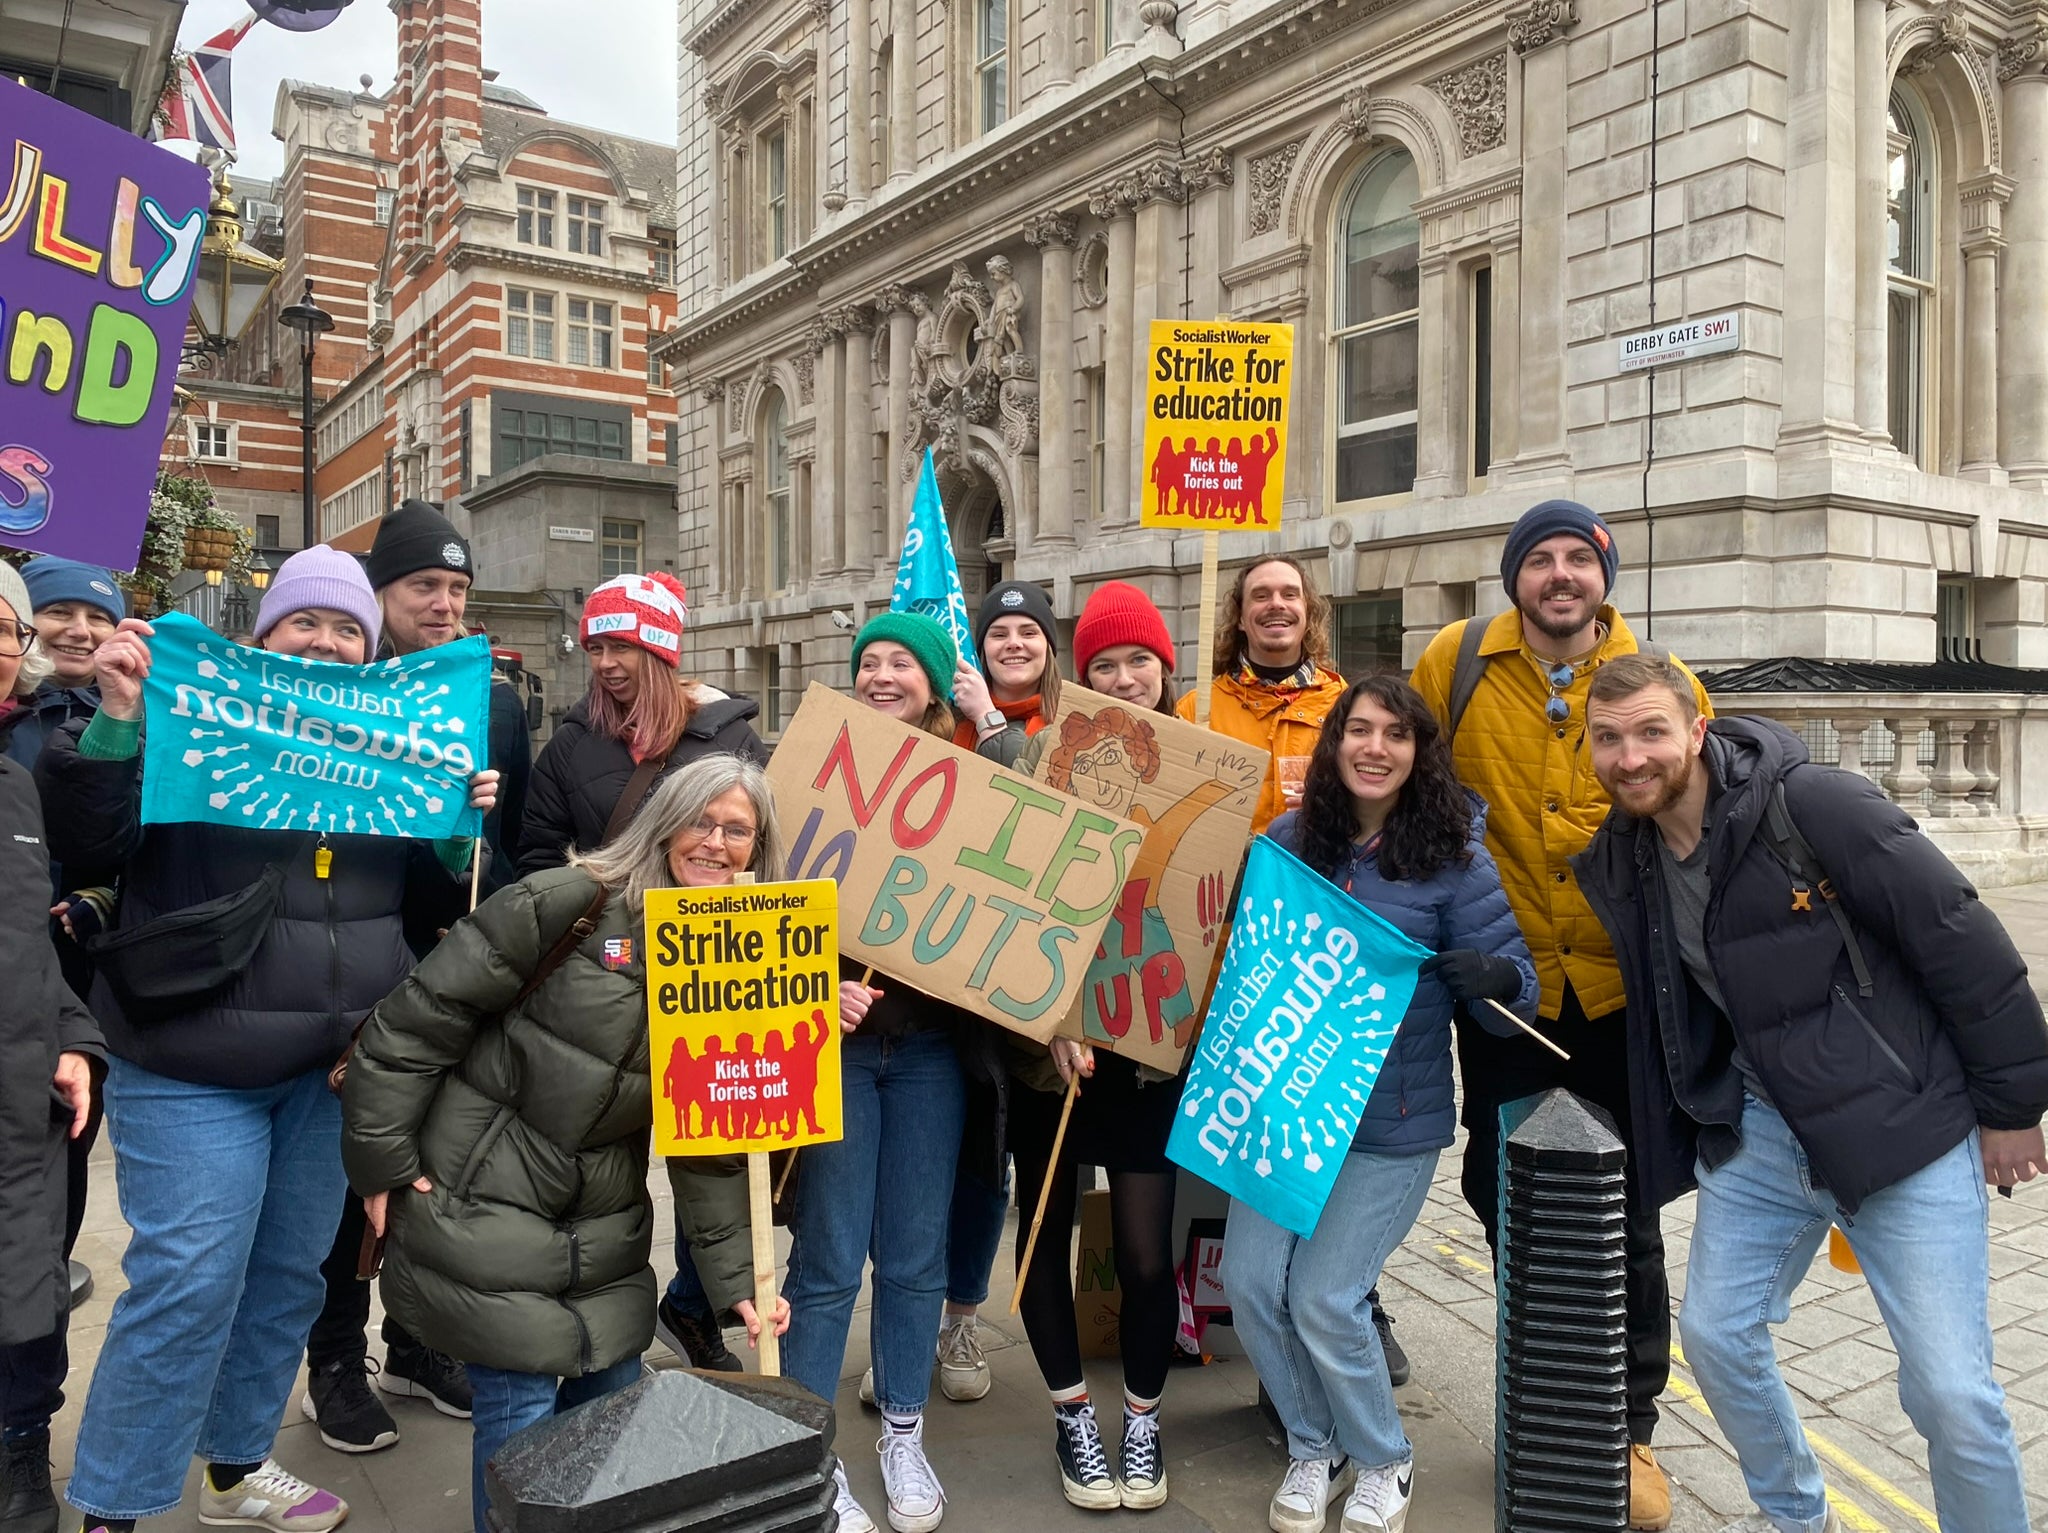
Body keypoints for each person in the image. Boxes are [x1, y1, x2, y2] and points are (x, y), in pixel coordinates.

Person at [37, 547, 499, 1533]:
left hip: (329, 1071)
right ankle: (114, 1504)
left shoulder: (389, 749)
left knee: (288, 1274)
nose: (327, 644)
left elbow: (426, 904)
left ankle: (235, 1467)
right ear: (263, 638)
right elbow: (89, 844)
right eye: (306, 624)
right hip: (193, 1060)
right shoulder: (189, 722)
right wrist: (122, 715)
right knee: (188, 1280)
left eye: (347, 631)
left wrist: (459, 827)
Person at [1575, 655, 2048, 1533]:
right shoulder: (1624, 857)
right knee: (1715, 1338)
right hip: (1763, 1126)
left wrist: (2015, 1104)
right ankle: (1799, 1516)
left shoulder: (1814, 803)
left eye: (1650, 731)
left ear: (1696, 730)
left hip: (1903, 1126)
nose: (1629, 757)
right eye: (1608, 739)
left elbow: (1958, 933)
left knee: (1950, 1391)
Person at [340, 755, 792, 1533]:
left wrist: (734, 1275)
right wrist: (380, 1161)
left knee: (609, 1426)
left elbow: (719, 1134)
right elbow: (411, 1025)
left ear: (759, 848)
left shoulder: (738, 953)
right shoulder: (569, 900)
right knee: (524, 1444)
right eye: (701, 820)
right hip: (484, 1197)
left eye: (738, 830)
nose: (715, 843)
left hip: (605, 1226)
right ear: (665, 822)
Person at [1408, 499, 1709, 1532]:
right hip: (1502, 998)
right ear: (1512, 579)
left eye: (1577, 558)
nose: (1559, 576)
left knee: (1622, 1216)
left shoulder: (1656, 679)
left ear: (1604, 574)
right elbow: (1402, 790)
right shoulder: (1453, 662)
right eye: (1539, 560)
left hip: (1623, 995)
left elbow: (1695, 823)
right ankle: (1541, 1402)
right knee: (1505, 1201)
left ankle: (1624, 1430)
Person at [1226, 675, 1537, 1533]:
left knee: (1327, 1298)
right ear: (1332, 745)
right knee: (1250, 1284)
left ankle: (1384, 1458)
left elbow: (1523, 994)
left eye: (1395, 734)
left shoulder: (1455, 861)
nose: (1373, 747)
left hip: (1389, 1127)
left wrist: (1498, 978)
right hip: (1284, 1114)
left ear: (1418, 753)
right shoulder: (1289, 840)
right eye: (1357, 730)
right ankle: (1312, 1442)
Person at [300, 500, 535, 1454]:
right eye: (422, 586)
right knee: (351, 1184)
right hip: (342, 976)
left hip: (444, 980)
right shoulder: (333, 686)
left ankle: (415, 1342)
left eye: (456, 588)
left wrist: (467, 831)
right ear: (380, 594)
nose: (443, 604)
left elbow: (502, 867)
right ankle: (331, 1359)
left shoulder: (498, 701)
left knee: (437, 1174)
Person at [517, 570, 766, 1373]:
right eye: (594, 644)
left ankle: (696, 1305)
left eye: (622, 642)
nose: (605, 660)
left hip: (709, 990)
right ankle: (600, 1330)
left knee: (716, 1162)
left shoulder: (730, 739)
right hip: (607, 997)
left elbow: (767, 857)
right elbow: (532, 866)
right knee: (605, 1173)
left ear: (662, 648)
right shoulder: (568, 746)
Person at [787, 611, 977, 1533]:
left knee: (913, 1254)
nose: (883, 673)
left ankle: (904, 1429)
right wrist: (821, 985)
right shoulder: (812, 768)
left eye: (903, 660)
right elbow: (768, 895)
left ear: (934, 684)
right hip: (841, 1050)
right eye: (869, 661)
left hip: (932, 1054)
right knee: (824, 1256)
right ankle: (803, 1455)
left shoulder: (975, 781)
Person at [1003, 582, 1187, 1512]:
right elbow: (1007, 908)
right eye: (1105, 664)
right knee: (1045, 1240)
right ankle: (1075, 1412)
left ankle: (1143, 1416)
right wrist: (1053, 1023)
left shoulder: (1199, 769)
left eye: (1139, 662)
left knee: (1152, 1255)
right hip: (1057, 1057)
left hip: (1152, 1052)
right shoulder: (1041, 760)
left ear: (1165, 669)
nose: (1123, 678)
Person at [936, 579, 1063, 1404]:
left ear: (1052, 647)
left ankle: (977, 1313)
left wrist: (991, 724)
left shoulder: (1074, 731)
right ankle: (934, 1319)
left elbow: (1047, 821)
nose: (1013, 643)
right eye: (998, 632)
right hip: (952, 984)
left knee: (1026, 1168)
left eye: (1028, 631)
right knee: (965, 1166)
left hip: (1043, 991)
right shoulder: (934, 730)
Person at [0, 561, 102, 1533]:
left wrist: (77, 1042)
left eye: (5, 628)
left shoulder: (19, 786)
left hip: (28, 1090)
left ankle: (21, 1449)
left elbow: (28, 943)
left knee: (32, 1290)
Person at [1175, 556, 1346, 835]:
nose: (1276, 604)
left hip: (1317, 872)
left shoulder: (1346, 705)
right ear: (1240, 618)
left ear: (1307, 613)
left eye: (1290, 594)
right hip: (1230, 876)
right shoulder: (1196, 710)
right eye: (1261, 595)